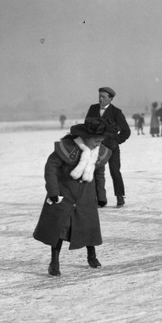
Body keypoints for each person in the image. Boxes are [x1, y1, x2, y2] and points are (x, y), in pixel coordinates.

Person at [33, 117, 111, 276]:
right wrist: (53, 191)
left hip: (86, 197)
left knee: (89, 227)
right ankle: (54, 262)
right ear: (86, 138)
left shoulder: (98, 152)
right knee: (59, 230)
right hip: (65, 195)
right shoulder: (67, 148)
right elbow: (51, 168)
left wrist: (101, 195)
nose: (98, 144)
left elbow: (100, 173)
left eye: (101, 141)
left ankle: (92, 256)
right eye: (96, 140)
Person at [85, 87, 132, 207]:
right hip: (96, 146)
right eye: (99, 96)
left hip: (112, 147)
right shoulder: (93, 108)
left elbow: (126, 131)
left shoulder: (116, 112)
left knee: (115, 171)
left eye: (104, 97)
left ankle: (120, 197)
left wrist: (116, 141)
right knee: (97, 173)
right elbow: (86, 126)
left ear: (110, 99)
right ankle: (100, 200)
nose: (100, 99)